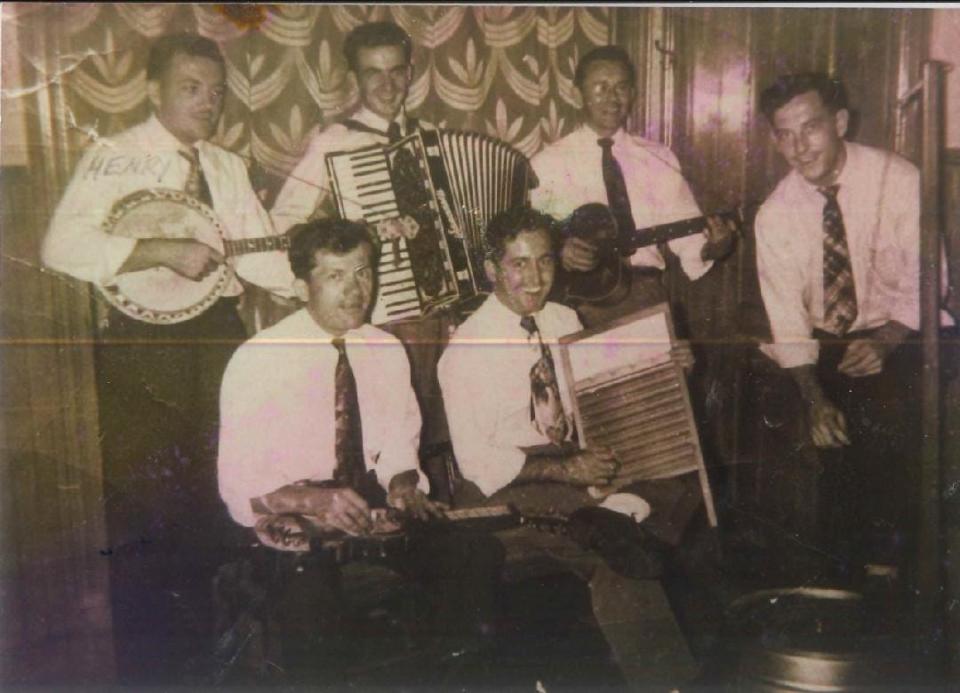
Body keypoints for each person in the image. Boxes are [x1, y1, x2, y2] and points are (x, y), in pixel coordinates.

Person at [40, 33, 294, 684]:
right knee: (150, 515)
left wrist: (315, 273)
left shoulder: (228, 166)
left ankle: (225, 665)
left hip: (218, 338)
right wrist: (156, 249)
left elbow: (258, 257)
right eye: (191, 86)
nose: (207, 101)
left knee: (223, 494)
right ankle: (157, 672)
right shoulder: (115, 157)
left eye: (215, 89)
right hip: (141, 351)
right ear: (154, 90)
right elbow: (59, 246)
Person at [216, 217, 503, 685]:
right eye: (335, 276)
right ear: (299, 286)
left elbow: (398, 449)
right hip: (294, 518)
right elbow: (236, 488)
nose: (356, 290)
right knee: (310, 602)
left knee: (473, 554)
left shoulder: (385, 349)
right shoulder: (258, 358)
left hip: (373, 510)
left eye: (364, 272)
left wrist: (405, 486)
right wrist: (312, 500)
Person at [437, 206, 700, 688]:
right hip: (507, 486)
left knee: (681, 479)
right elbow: (478, 463)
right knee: (620, 562)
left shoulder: (563, 319)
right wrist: (570, 472)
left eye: (544, 261)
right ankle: (667, 683)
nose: (535, 278)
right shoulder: (466, 350)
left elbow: (606, 393)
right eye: (519, 264)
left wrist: (668, 366)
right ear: (493, 270)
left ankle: (613, 515)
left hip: (573, 466)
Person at [754, 72, 926, 576]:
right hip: (825, 342)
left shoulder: (899, 180)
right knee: (824, 433)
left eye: (810, 129)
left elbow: (924, 282)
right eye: (784, 134)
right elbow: (788, 324)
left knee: (887, 418)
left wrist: (889, 341)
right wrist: (814, 398)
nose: (798, 148)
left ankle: (890, 572)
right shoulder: (775, 214)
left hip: (903, 329)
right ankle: (835, 578)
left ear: (841, 123)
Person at [530, 45, 735, 327]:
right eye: (600, 87)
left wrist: (715, 246)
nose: (612, 98)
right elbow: (531, 241)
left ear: (633, 95)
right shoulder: (546, 164)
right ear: (578, 95)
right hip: (574, 306)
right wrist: (558, 250)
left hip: (645, 297)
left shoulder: (658, 159)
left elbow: (691, 245)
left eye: (621, 87)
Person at [270, 20, 430, 233]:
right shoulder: (334, 142)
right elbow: (284, 217)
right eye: (374, 74)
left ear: (409, 74)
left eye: (396, 72)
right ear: (355, 81)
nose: (388, 86)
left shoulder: (431, 135)